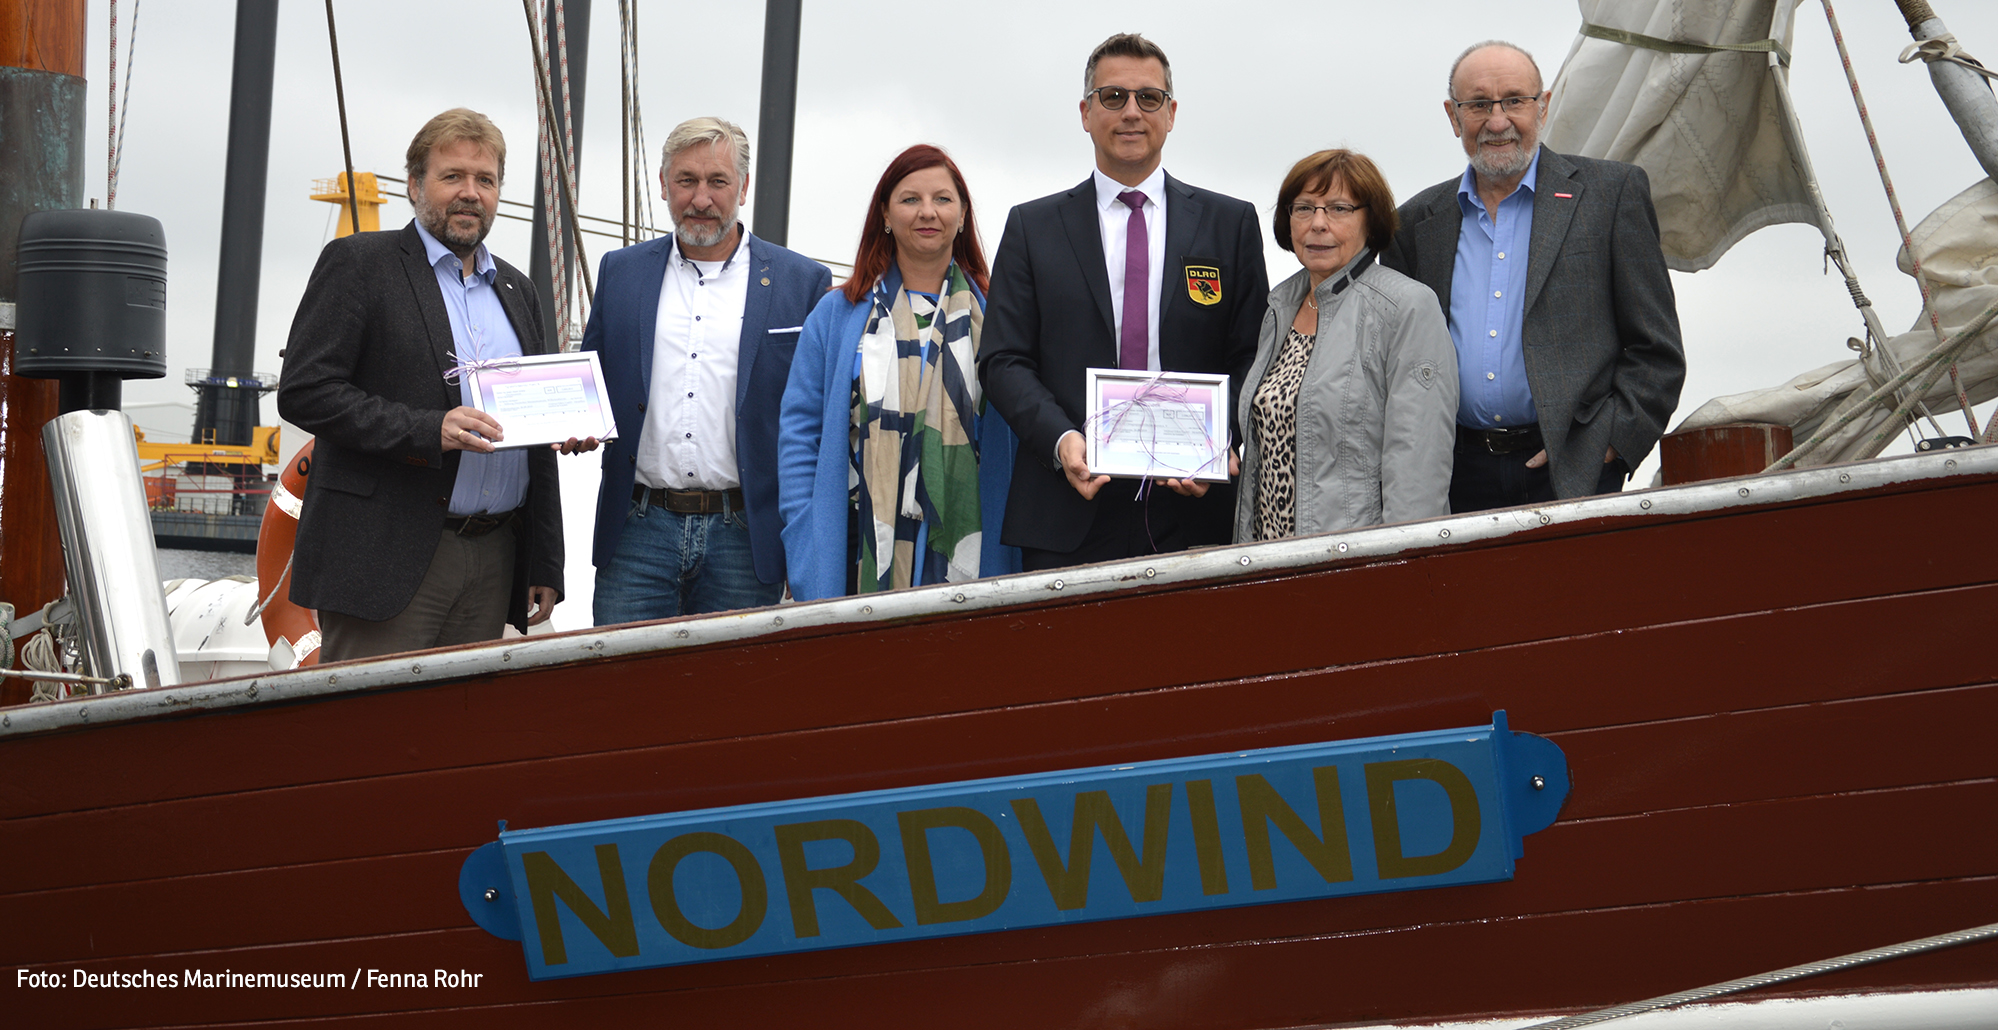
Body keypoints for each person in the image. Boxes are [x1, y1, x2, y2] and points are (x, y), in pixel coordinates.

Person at [278, 108, 567, 662]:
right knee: (370, 734)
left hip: (495, 556)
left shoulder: (519, 289)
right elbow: (305, 389)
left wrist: (544, 560)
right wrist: (428, 429)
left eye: (485, 180)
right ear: (414, 185)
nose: (470, 193)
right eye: (452, 176)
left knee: (459, 737)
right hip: (388, 555)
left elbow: (537, 442)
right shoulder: (360, 264)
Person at [980, 32, 1269, 571]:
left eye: (1149, 98)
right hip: (1068, 502)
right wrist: (1063, 439)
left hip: (1196, 509)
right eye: (1113, 97)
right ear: (1086, 112)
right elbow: (1002, 360)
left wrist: (1219, 441)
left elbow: (1252, 355)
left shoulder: (1229, 224)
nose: (1132, 112)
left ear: (1172, 112)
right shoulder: (1032, 227)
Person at [1381, 40, 1685, 513]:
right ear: (1453, 115)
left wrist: (1609, 445)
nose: (1497, 121)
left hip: (1575, 472)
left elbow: (1656, 350)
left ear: (1543, 105)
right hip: (1454, 477)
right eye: (1478, 104)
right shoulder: (1415, 223)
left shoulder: (1611, 194)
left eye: (1514, 101)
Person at [580, 117, 832, 623]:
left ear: (743, 186)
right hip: (636, 530)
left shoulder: (803, 282)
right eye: (686, 181)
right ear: (662, 184)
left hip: (745, 536)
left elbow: (817, 420)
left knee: (732, 697)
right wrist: (574, 422)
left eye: (717, 182)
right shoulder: (620, 271)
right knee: (620, 692)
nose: (700, 199)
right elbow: (592, 382)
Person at [778, 145, 1020, 600]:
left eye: (943, 199)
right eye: (910, 199)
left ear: (963, 215)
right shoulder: (836, 315)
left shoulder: (1000, 315)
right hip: (855, 546)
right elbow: (799, 436)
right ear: (885, 215)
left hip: (971, 542)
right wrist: (803, 535)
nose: (927, 212)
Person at [1234, 150, 1457, 543]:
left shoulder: (1406, 307)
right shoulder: (1279, 306)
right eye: (1304, 208)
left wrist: (1396, 566)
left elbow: (1418, 468)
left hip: (1350, 568)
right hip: (1265, 562)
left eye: (1338, 208)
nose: (1318, 224)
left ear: (1371, 220)